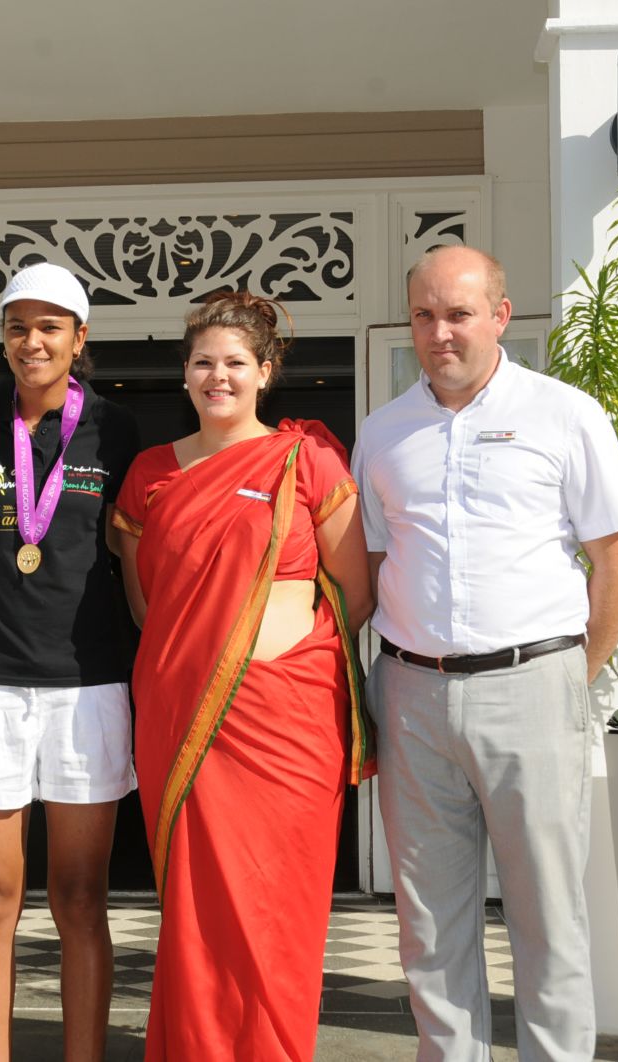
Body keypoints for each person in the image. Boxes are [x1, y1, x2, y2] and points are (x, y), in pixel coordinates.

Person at [352, 245, 618, 1060]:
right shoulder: (382, 432)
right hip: (411, 694)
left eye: (459, 313)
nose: (440, 332)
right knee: (428, 922)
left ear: (501, 317)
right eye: (424, 315)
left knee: (548, 915)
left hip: (535, 684)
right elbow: (371, 574)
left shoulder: (565, 414)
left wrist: (567, 678)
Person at [113, 290, 375, 1060]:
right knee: (194, 915)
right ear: (184, 375)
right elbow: (146, 608)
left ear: (266, 371)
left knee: (278, 911)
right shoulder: (151, 474)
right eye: (202, 363)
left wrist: (277, 663)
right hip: (184, 714)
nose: (216, 377)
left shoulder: (308, 459)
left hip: (287, 726)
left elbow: (353, 594)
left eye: (234, 363)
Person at [0, 262, 141, 1062]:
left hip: (88, 686)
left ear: (79, 338)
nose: (32, 341)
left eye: (50, 326)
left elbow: (134, 549)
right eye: (18, 326)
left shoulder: (114, 430)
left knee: (82, 899)